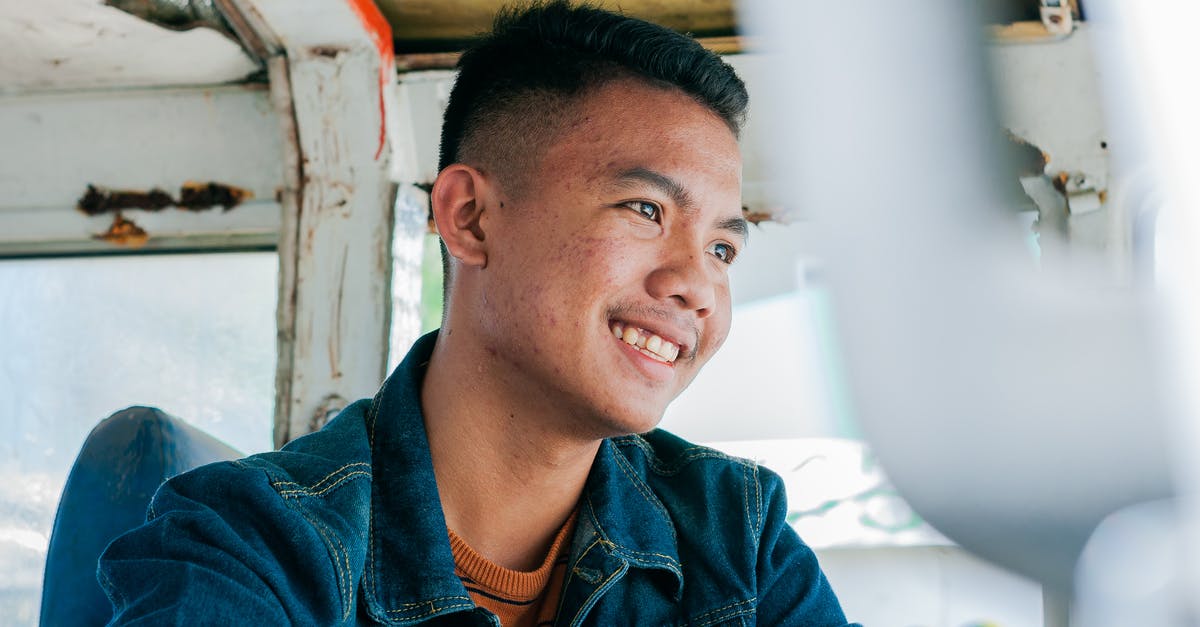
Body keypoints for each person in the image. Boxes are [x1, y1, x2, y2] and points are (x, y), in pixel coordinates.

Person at [99, 2, 857, 624]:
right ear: (470, 217)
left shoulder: (737, 538)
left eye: (724, 249)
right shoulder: (248, 547)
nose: (697, 284)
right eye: (646, 208)